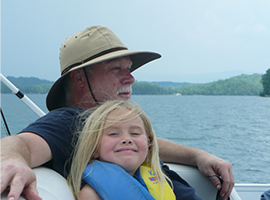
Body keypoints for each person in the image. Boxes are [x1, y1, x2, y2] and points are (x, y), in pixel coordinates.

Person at [0, 26, 234, 200]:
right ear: (80, 78)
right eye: (116, 69)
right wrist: (12, 159)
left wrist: (197, 156)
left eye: (129, 69)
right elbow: (22, 144)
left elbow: (151, 144)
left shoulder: (109, 127)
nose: (130, 77)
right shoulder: (68, 121)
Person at [67, 100, 178, 200]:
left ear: (148, 144)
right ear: (94, 147)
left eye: (135, 133)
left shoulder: (159, 182)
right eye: (113, 134)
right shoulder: (91, 195)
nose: (126, 139)